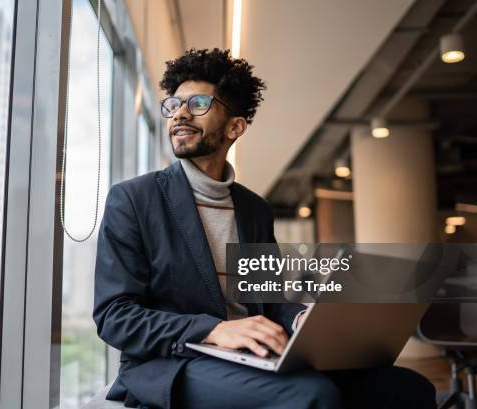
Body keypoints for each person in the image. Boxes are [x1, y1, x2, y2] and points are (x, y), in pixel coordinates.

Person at [93, 48, 436, 409]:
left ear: (235, 126)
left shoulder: (253, 209)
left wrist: (305, 319)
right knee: (313, 396)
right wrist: (212, 329)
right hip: (174, 363)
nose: (179, 113)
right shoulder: (133, 199)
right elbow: (116, 316)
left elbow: (269, 302)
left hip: (251, 355)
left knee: (408, 388)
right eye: (174, 104)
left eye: (197, 104)